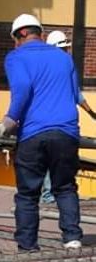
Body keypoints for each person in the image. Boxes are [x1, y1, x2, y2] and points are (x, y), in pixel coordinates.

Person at [0, 13, 83, 251]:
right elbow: (76, 94)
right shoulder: (64, 58)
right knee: (65, 187)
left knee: (28, 194)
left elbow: (22, 87)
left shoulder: (16, 57)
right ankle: (72, 239)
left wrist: (10, 120)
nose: (15, 44)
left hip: (33, 133)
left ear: (21, 35)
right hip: (66, 133)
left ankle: (28, 246)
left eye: (15, 39)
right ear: (40, 34)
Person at [41, 29, 96, 204]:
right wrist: (91, 113)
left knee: (52, 158)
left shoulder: (44, 66)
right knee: (60, 158)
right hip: (61, 123)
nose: (66, 52)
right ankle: (54, 194)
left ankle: (51, 194)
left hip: (49, 122)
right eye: (64, 49)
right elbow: (76, 94)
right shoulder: (66, 65)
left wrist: (91, 113)